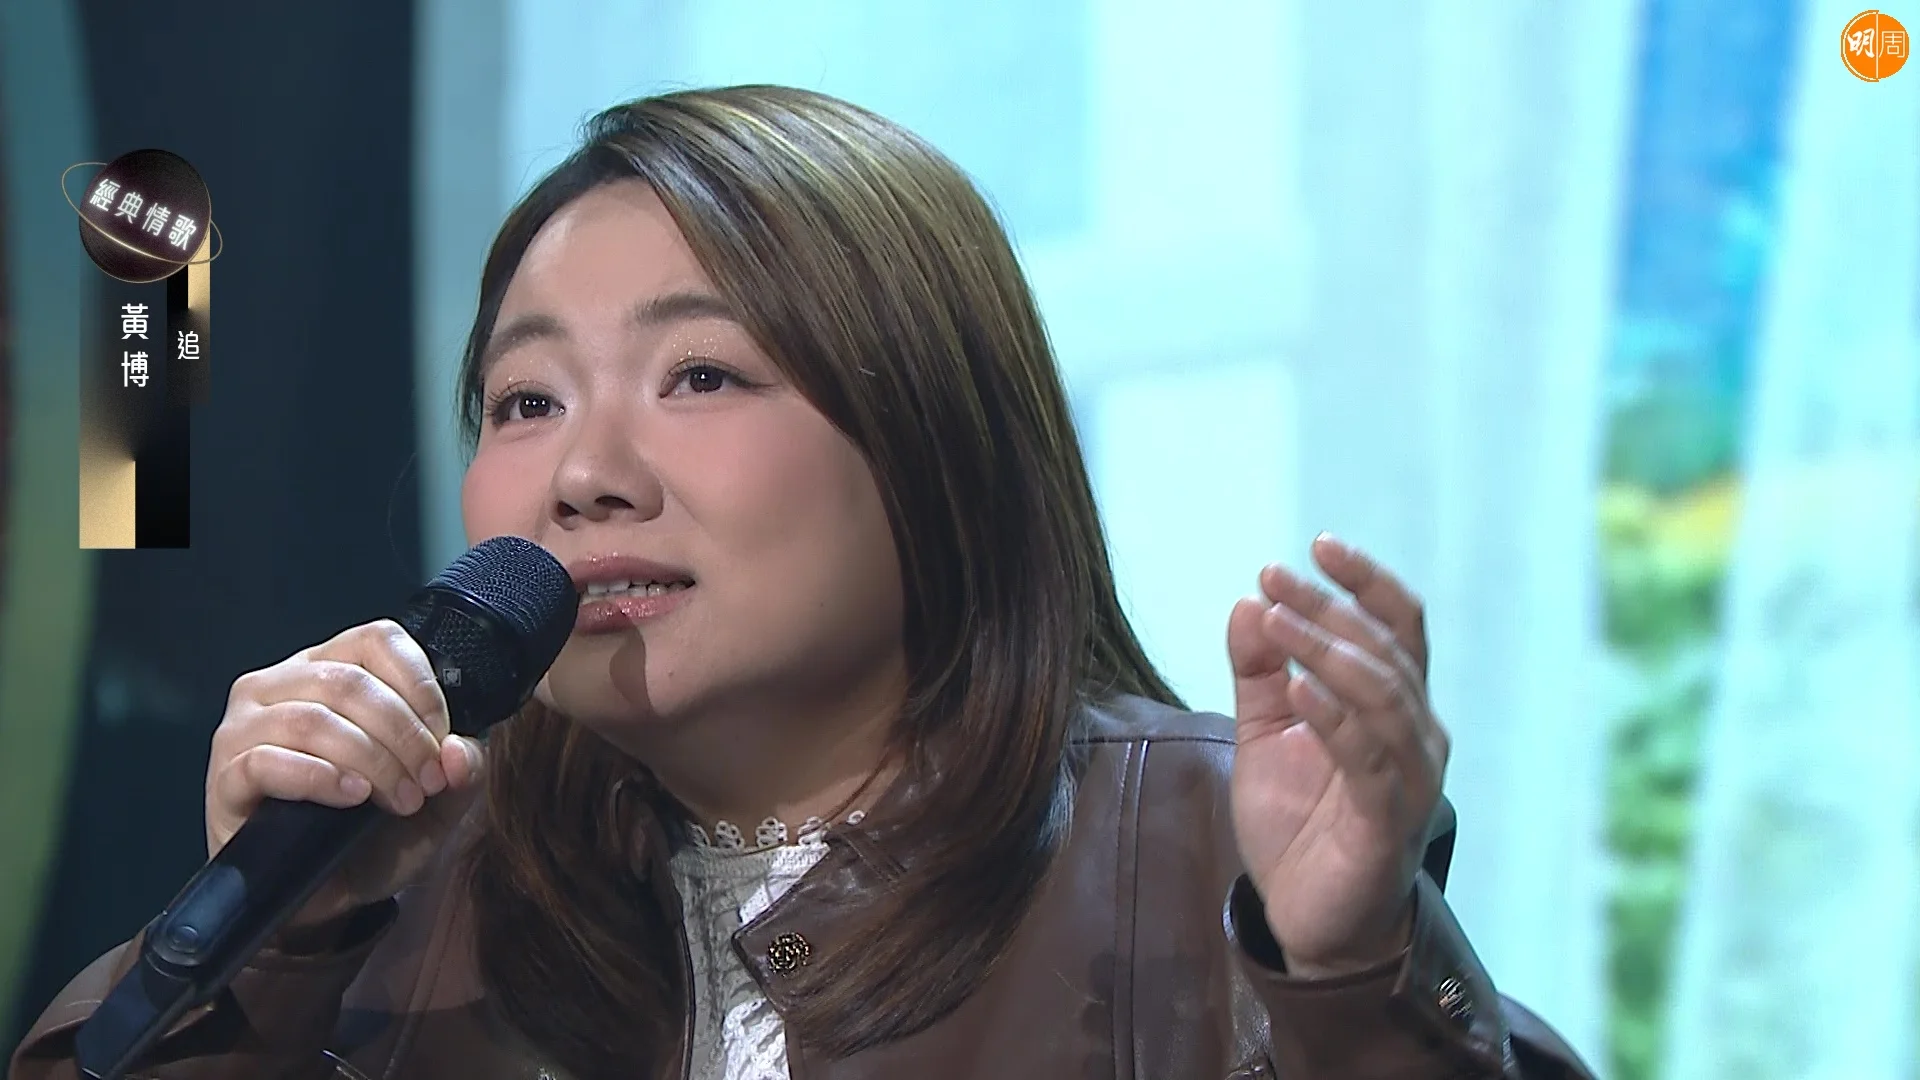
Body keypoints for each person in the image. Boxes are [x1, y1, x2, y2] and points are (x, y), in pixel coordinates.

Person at [9, 86, 1594, 1080]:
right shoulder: (401, 886)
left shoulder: (1199, 851)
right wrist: (273, 946)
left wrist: (1351, 980)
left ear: (935, 437)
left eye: (700, 376)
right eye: (524, 400)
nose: (584, 473)